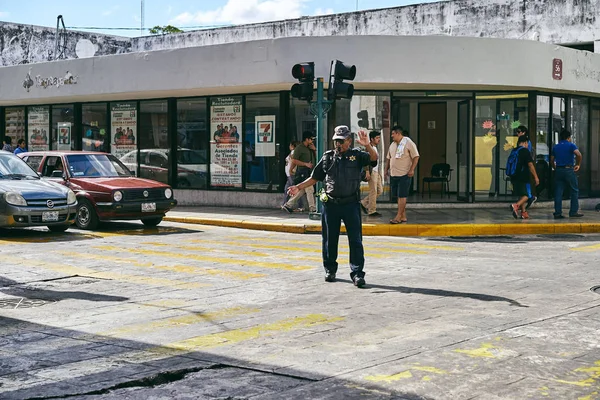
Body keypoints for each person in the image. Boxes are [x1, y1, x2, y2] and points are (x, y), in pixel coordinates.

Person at [287, 125, 377, 288]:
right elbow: (315, 178)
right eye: (336, 141)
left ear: (349, 141)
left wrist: (367, 145)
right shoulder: (328, 157)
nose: (338, 144)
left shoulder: (357, 156)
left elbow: (374, 158)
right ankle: (330, 269)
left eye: (341, 141)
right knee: (329, 239)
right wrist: (298, 187)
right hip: (331, 205)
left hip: (351, 204)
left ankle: (357, 273)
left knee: (355, 240)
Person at [385, 126, 419, 224]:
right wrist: (386, 169)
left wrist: (412, 170)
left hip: (404, 174)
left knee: (402, 196)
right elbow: (389, 158)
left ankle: (398, 216)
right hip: (394, 174)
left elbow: (416, 157)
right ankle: (403, 215)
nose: (392, 136)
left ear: (398, 134)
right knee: (397, 196)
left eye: (393, 134)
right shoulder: (392, 144)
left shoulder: (408, 142)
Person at [551, 129, 583, 219]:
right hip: (569, 169)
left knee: (558, 192)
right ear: (568, 138)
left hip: (559, 170)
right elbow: (579, 154)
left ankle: (557, 212)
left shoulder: (556, 147)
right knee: (574, 190)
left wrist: (555, 168)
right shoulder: (571, 145)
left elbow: (552, 160)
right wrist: (578, 165)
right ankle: (573, 211)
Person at [282, 131, 316, 213]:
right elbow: (293, 160)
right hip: (303, 172)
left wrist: (314, 149)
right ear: (307, 139)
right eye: (311, 139)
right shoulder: (299, 148)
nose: (312, 141)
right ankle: (313, 208)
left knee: (302, 190)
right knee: (309, 189)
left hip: (310, 171)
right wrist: (305, 164)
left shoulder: (310, 148)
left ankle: (288, 205)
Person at [509, 135, 540, 219]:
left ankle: (523, 212)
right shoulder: (525, 151)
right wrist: (536, 177)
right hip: (523, 177)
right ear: (525, 143)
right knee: (527, 196)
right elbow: (530, 165)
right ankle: (516, 205)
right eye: (527, 143)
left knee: (522, 195)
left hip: (514, 176)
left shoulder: (514, 150)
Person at [360, 130, 383, 217]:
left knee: (379, 191)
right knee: (373, 191)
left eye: (379, 138)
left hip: (377, 172)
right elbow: (365, 161)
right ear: (372, 139)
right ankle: (372, 211)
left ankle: (363, 203)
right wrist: (367, 172)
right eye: (377, 138)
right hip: (372, 171)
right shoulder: (369, 147)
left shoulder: (375, 147)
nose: (379, 139)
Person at [516, 125, 537, 208]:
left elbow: (528, 158)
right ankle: (523, 209)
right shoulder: (521, 142)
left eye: (519, 132)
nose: (517, 133)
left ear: (523, 132)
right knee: (522, 189)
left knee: (525, 187)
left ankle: (529, 197)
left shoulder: (527, 143)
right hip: (521, 169)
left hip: (524, 168)